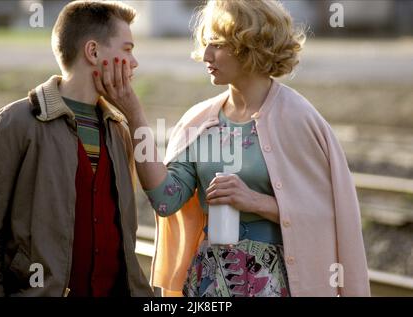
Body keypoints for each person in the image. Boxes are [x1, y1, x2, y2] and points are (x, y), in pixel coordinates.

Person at [94, 0, 370, 297]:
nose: (205, 55)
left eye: (217, 45)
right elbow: (164, 201)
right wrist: (135, 115)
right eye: (205, 44)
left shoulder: (299, 118)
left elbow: (330, 216)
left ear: (249, 45)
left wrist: (254, 201)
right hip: (207, 284)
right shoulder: (199, 122)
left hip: (275, 284)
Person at [0, 0, 152, 297]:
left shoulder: (119, 129)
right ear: (93, 52)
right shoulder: (14, 124)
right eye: (127, 49)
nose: (135, 62)